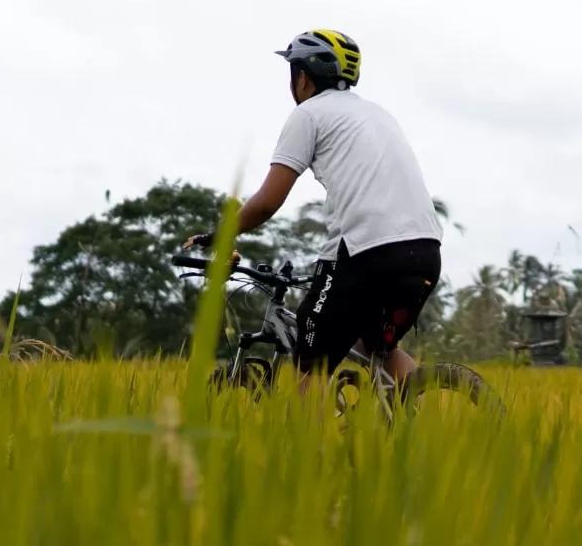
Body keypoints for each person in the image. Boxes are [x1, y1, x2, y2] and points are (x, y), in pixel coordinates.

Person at [186, 30, 443, 387]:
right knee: (377, 347)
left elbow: (267, 203)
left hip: (367, 251)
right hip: (425, 252)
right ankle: (426, 421)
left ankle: (308, 442)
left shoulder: (309, 114)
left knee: (313, 365)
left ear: (303, 77)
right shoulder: (378, 114)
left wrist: (219, 234)